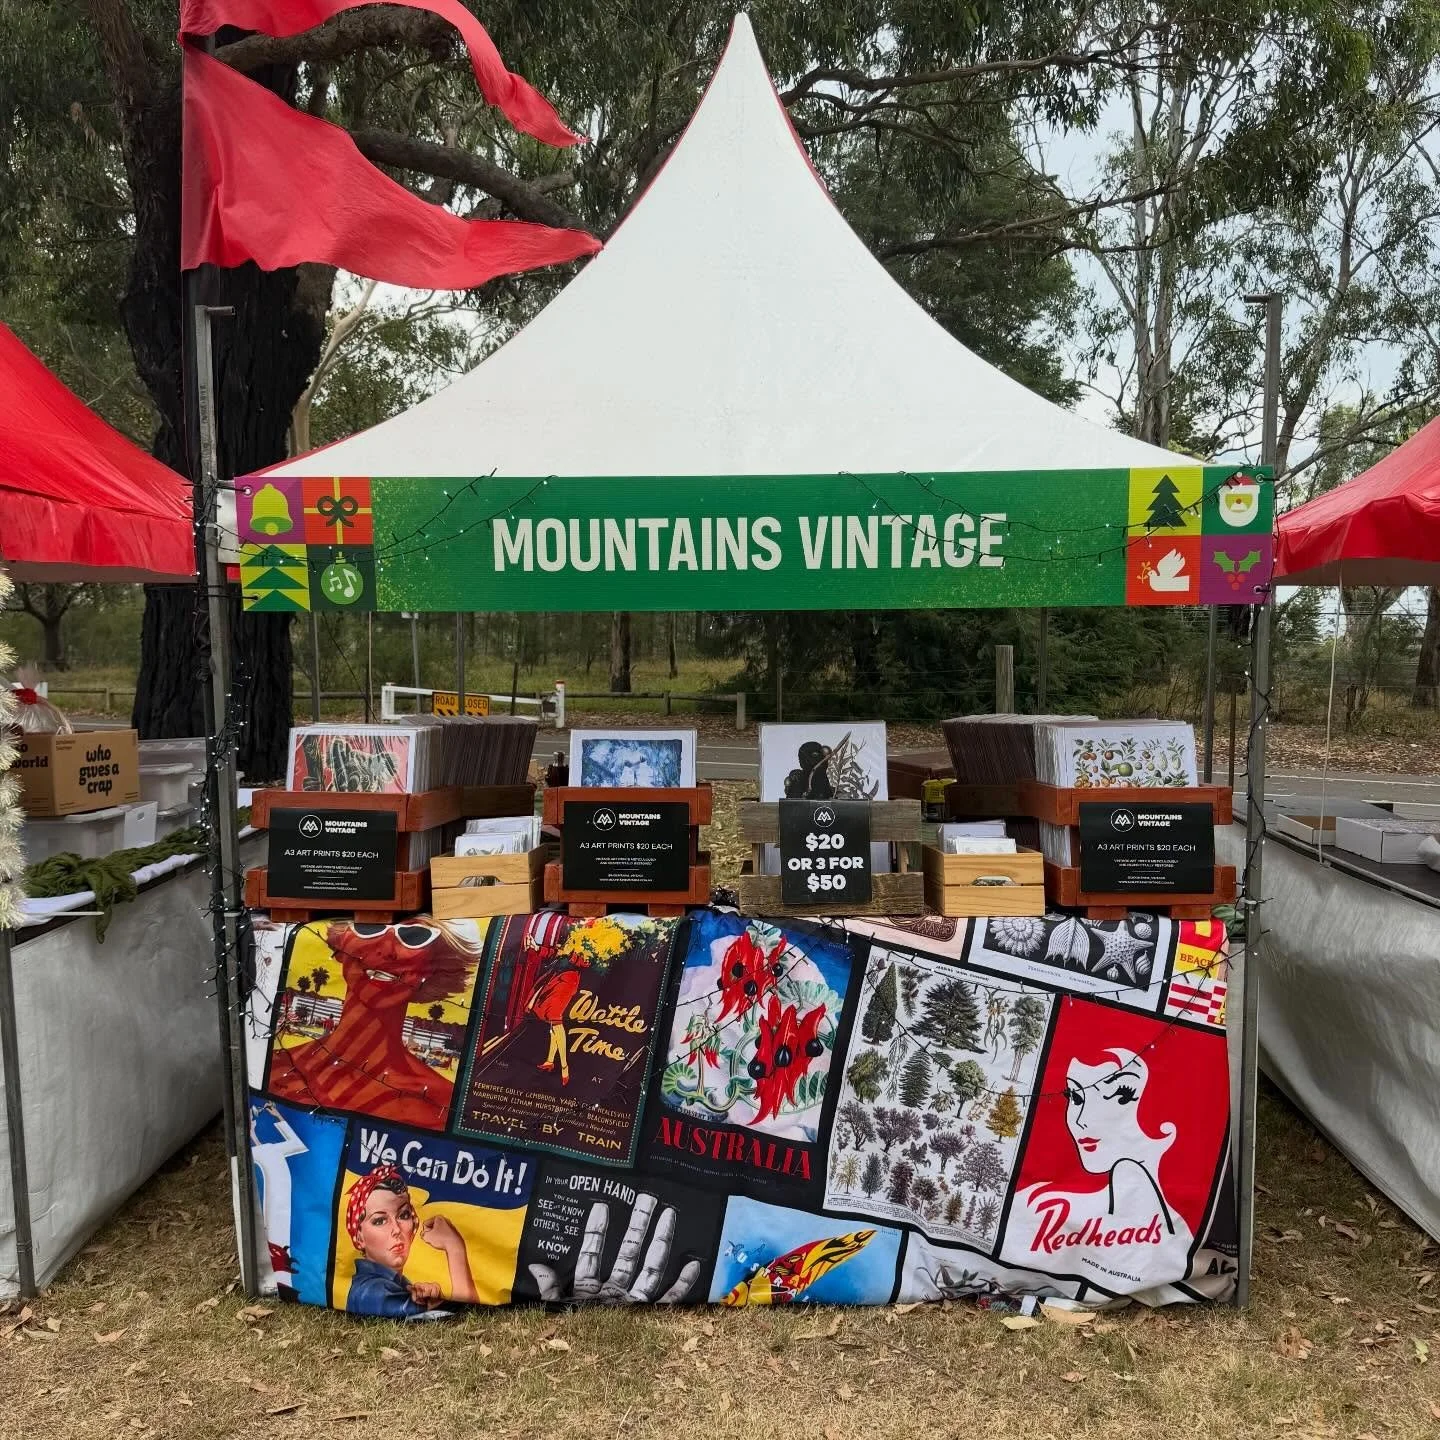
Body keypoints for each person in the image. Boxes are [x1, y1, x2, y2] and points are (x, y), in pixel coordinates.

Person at [1007, 1047, 1194, 1291]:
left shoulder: (1181, 1235)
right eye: (1075, 1097)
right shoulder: (1037, 1199)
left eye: (1121, 1095)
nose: (1080, 1119)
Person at [343, 1164, 478, 1317]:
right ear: (359, 1237)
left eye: (403, 1215)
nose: (396, 1229)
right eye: (379, 1221)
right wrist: (455, 1248)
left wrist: (431, 1300)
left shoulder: (397, 1283)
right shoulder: (371, 1291)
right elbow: (465, 1311)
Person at [249, 1101, 307, 1296]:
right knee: (275, 1240)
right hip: (274, 1206)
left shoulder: (270, 1151)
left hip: (286, 1204)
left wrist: (276, 1116)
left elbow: (296, 1144)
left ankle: (283, 1285)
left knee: (282, 1243)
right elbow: (261, 1153)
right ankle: (275, 1284)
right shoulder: (262, 1152)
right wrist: (251, 1134)